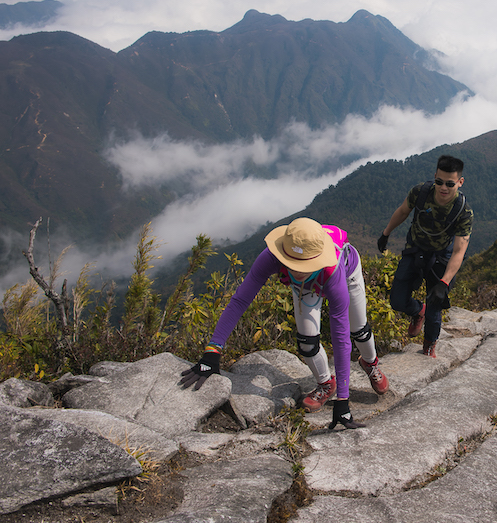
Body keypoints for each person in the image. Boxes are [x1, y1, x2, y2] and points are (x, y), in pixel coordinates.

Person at [180, 218, 388, 430]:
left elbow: (341, 337)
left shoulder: (333, 273)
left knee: (359, 330)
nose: (296, 270)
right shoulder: (272, 257)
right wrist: (212, 351)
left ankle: (370, 363)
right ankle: (326, 383)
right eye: (291, 264)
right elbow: (241, 300)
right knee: (307, 342)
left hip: (347, 275)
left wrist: (343, 402)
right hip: (307, 286)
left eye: (302, 265)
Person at [377, 155, 473, 358]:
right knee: (397, 301)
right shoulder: (420, 192)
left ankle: (429, 345)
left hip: (441, 255)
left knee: (435, 306)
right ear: (435, 177)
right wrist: (386, 233)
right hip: (416, 248)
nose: (443, 188)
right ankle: (417, 310)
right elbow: (403, 211)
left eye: (450, 183)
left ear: (460, 182)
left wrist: (444, 283)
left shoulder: (462, 211)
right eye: (439, 182)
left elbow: (459, 250)